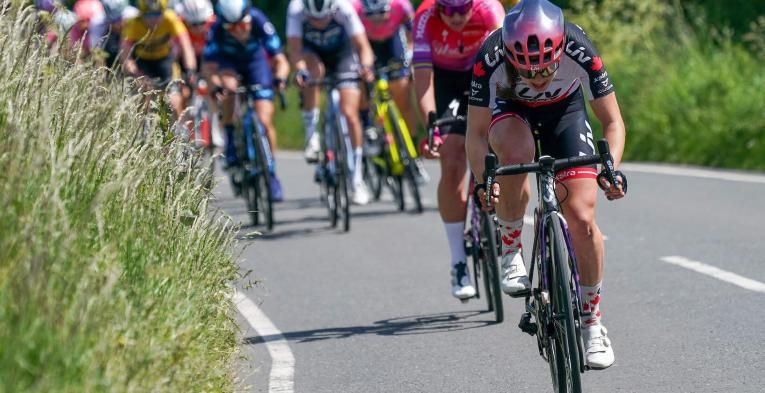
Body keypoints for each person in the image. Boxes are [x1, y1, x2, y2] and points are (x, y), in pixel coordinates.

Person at [466, 0, 627, 369]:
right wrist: (483, 181)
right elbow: (475, 135)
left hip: (565, 111)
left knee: (583, 219)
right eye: (527, 71)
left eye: (547, 68)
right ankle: (510, 247)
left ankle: (591, 323)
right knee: (516, 153)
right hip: (511, 110)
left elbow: (613, 123)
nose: (538, 79)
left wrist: (610, 170)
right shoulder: (489, 56)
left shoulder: (578, 46)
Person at [412, 0, 504, 300]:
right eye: (448, 10)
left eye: (462, 9)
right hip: (446, 82)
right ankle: (458, 261)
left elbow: (506, 68)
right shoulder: (425, 17)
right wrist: (431, 125)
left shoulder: (489, 9)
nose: (456, 17)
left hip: (485, 73)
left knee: (501, 143)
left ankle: (507, 237)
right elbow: (424, 79)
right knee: (452, 162)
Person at [286, 0, 376, 205]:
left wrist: (366, 67)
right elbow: (295, 50)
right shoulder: (296, 9)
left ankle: (357, 178)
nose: (319, 23)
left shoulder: (344, 7)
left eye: (324, 18)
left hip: (343, 55)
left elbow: (363, 47)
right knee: (311, 72)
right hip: (313, 55)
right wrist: (300, 70)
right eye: (313, 19)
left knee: (349, 112)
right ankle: (312, 136)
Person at [202, 0, 290, 201]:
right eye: (232, 27)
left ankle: (271, 174)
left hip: (255, 63)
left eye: (242, 25)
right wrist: (216, 85)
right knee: (230, 89)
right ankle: (231, 137)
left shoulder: (259, 19)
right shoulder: (215, 29)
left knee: (265, 121)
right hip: (229, 64)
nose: (239, 31)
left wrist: (280, 79)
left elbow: (280, 59)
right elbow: (208, 67)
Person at [120, 0, 197, 121]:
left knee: (174, 101)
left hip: (165, 62)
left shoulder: (170, 19)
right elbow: (125, 56)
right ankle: (143, 133)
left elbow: (186, 46)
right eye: (149, 15)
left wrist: (190, 70)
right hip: (143, 63)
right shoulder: (133, 24)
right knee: (144, 98)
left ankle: (179, 132)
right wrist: (135, 74)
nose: (154, 20)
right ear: (142, 14)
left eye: (157, 14)